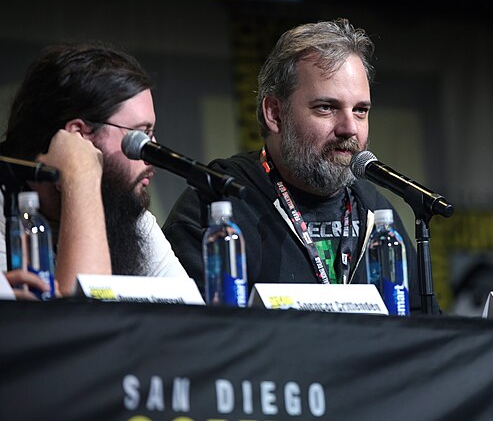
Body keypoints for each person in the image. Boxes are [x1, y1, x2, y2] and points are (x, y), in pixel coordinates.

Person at [163, 18, 435, 313]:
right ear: (275, 114)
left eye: (360, 110)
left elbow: (422, 330)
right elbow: (188, 339)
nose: (349, 128)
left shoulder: (374, 211)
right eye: (326, 107)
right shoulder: (215, 204)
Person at [0, 41, 188, 297]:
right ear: (78, 137)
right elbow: (82, 321)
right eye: (140, 136)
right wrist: (80, 177)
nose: (150, 156)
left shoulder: (128, 213)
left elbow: (189, 314)